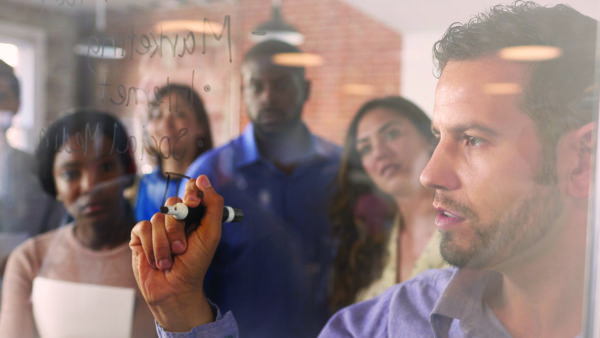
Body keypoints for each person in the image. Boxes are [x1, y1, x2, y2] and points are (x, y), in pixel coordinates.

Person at [131, 2, 598, 337]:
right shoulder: (391, 322)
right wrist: (181, 313)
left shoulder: (334, 171)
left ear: (581, 159)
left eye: (473, 139)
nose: (429, 173)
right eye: (440, 137)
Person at [172, 39, 341, 337]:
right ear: (243, 92)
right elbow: (188, 287)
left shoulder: (340, 170)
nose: (268, 97)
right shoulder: (209, 177)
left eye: (282, 85)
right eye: (256, 86)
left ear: (306, 89)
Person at [0, 110, 157, 337]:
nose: (90, 185)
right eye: (71, 173)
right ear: (53, 186)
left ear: (128, 170)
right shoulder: (30, 260)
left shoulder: (157, 254)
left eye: (105, 168)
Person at [329, 96, 448, 311]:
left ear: (430, 138)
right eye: (365, 149)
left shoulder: (470, 227)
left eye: (392, 134)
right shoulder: (372, 244)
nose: (379, 153)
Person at [0, 59, 64, 306]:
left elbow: (57, 235)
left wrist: (17, 261)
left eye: (2, 96)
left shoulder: (39, 170)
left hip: (26, 293)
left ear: (17, 104)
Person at [135, 83, 214, 222]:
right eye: (156, 115)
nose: (165, 124)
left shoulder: (215, 185)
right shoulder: (136, 189)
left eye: (178, 114)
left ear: (201, 125)